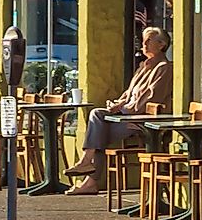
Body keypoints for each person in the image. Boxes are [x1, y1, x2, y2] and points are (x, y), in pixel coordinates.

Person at [65, 27, 171, 195]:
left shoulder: (163, 68)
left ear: (162, 45)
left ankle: (89, 175)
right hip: (126, 115)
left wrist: (122, 108)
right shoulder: (143, 67)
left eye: (149, 40)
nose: (143, 44)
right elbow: (129, 94)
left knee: (99, 132)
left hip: (142, 121)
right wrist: (117, 104)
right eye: (143, 39)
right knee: (97, 115)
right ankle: (88, 170)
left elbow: (151, 98)